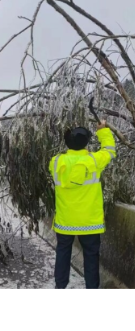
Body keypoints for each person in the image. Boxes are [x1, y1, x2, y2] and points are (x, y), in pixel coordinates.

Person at [49, 120, 116, 290]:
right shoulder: (94, 161)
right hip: (90, 223)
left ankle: (60, 286)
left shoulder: (56, 162)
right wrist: (103, 131)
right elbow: (109, 150)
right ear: (86, 143)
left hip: (66, 222)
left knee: (63, 254)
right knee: (91, 257)